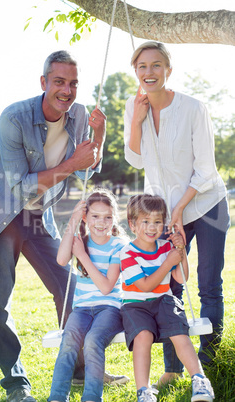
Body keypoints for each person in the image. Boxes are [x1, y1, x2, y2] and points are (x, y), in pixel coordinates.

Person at [0, 50, 108, 402]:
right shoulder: (14, 117)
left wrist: (101, 136)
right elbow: (20, 186)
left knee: (70, 290)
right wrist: (74, 161)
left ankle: (79, 369)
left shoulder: (78, 116)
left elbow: (85, 169)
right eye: (59, 81)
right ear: (44, 82)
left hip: (36, 215)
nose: (67, 90)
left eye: (73, 83)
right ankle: (17, 385)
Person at [124, 40, 230, 386]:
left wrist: (178, 212)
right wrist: (138, 122)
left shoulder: (193, 108)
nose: (148, 72)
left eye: (156, 65)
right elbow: (135, 159)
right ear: (135, 71)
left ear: (168, 70)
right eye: (142, 66)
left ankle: (209, 359)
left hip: (205, 203)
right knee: (169, 286)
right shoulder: (133, 105)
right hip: (165, 211)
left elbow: (205, 169)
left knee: (208, 282)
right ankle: (173, 368)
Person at [120, 194, 215, 402]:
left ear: (163, 224)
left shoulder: (166, 248)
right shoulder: (127, 254)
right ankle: (144, 391)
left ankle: (200, 380)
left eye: (157, 222)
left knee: (179, 333)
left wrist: (180, 250)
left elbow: (181, 277)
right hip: (136, 306)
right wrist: (167, 262)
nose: (152, 227)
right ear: (132, 225)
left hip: (164, 300)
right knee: (142, 336)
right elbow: (145, 286)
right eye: (145, 221)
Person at [48, 189, 128, 402]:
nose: (102, 222)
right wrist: (74, 221)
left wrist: (82, 255)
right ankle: (56, 397)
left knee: (93, 340)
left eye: (108, 217)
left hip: (110, 308)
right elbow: (61, 260)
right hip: (82, 308)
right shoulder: (79, 239)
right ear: (86, 217)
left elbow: (105, 288)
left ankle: (92, 397)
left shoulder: (119, 245)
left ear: (114, 218)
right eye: (95, 216)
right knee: (69, 340)